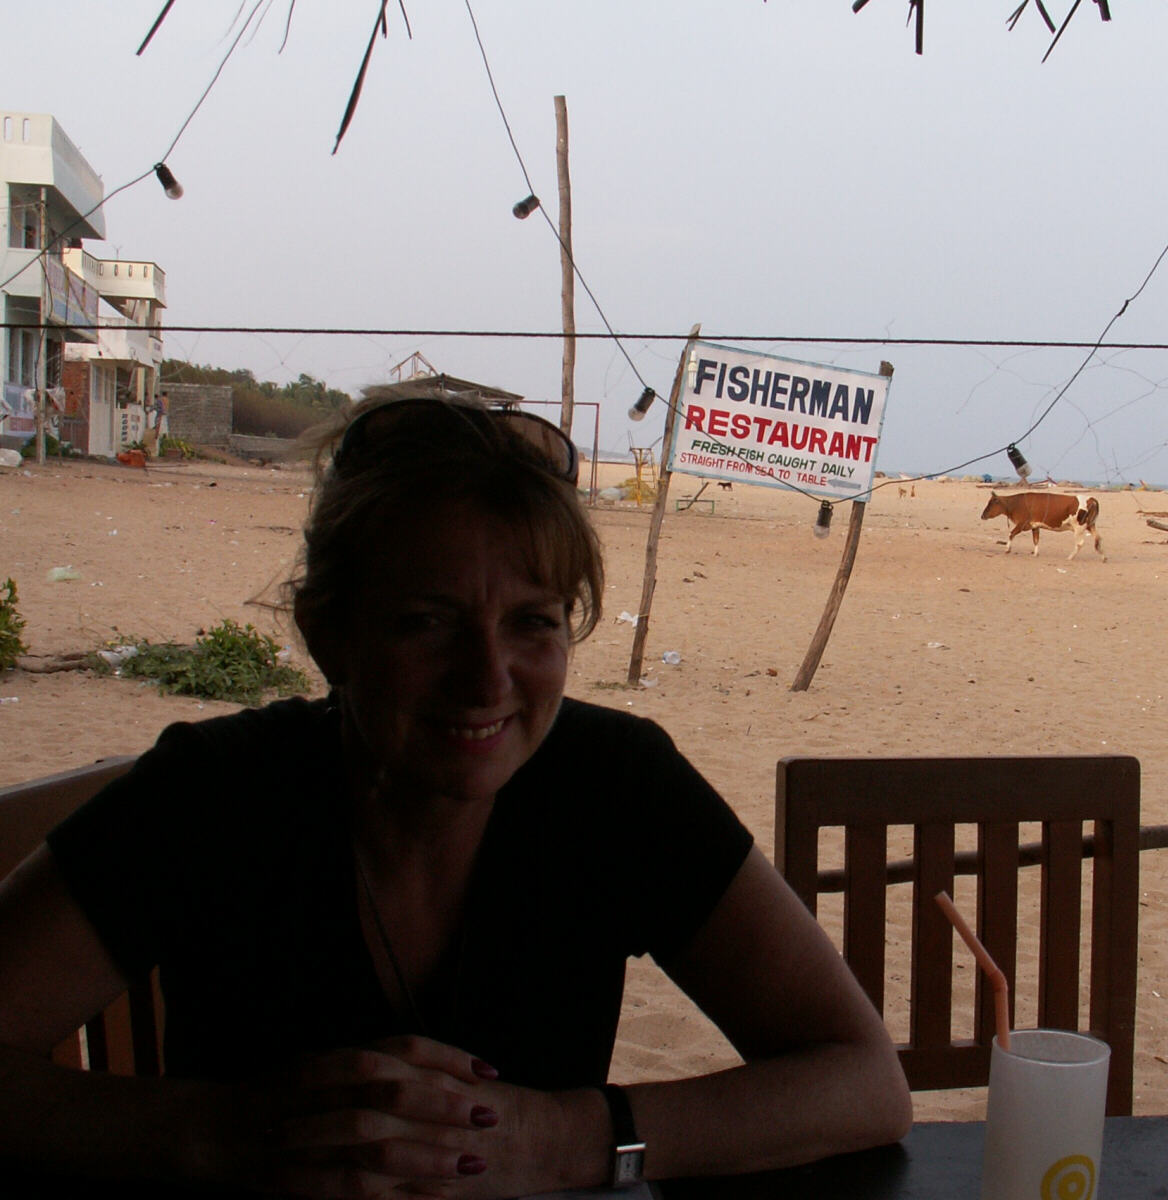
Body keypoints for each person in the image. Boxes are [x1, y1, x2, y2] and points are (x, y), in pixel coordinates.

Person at [0, 385, 911, 1196]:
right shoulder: (213, 794)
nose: (487, 680)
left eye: (532, 623)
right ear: (328, 635)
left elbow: (864, 1082)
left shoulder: (616, 785)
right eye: (425, 622)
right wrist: (219, 1138)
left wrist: (570, 1139)